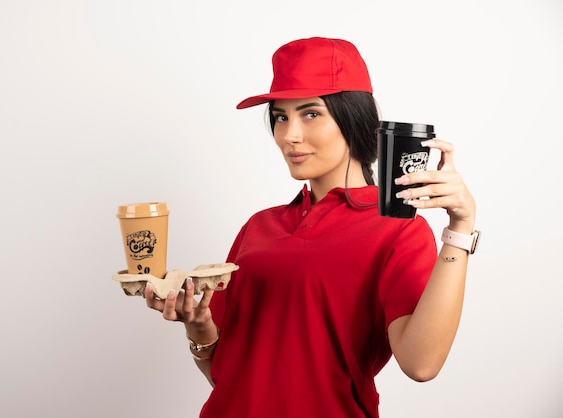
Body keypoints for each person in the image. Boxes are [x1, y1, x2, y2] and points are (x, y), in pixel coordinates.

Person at [144, 37, 478, 418]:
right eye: (280, 117)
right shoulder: (259, 227)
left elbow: (421, 364)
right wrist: (198, 325)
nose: (289, 136)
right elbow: (225, 376)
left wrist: (460, 228)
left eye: (310, 114)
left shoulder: (397, 229)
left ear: (354, 119)